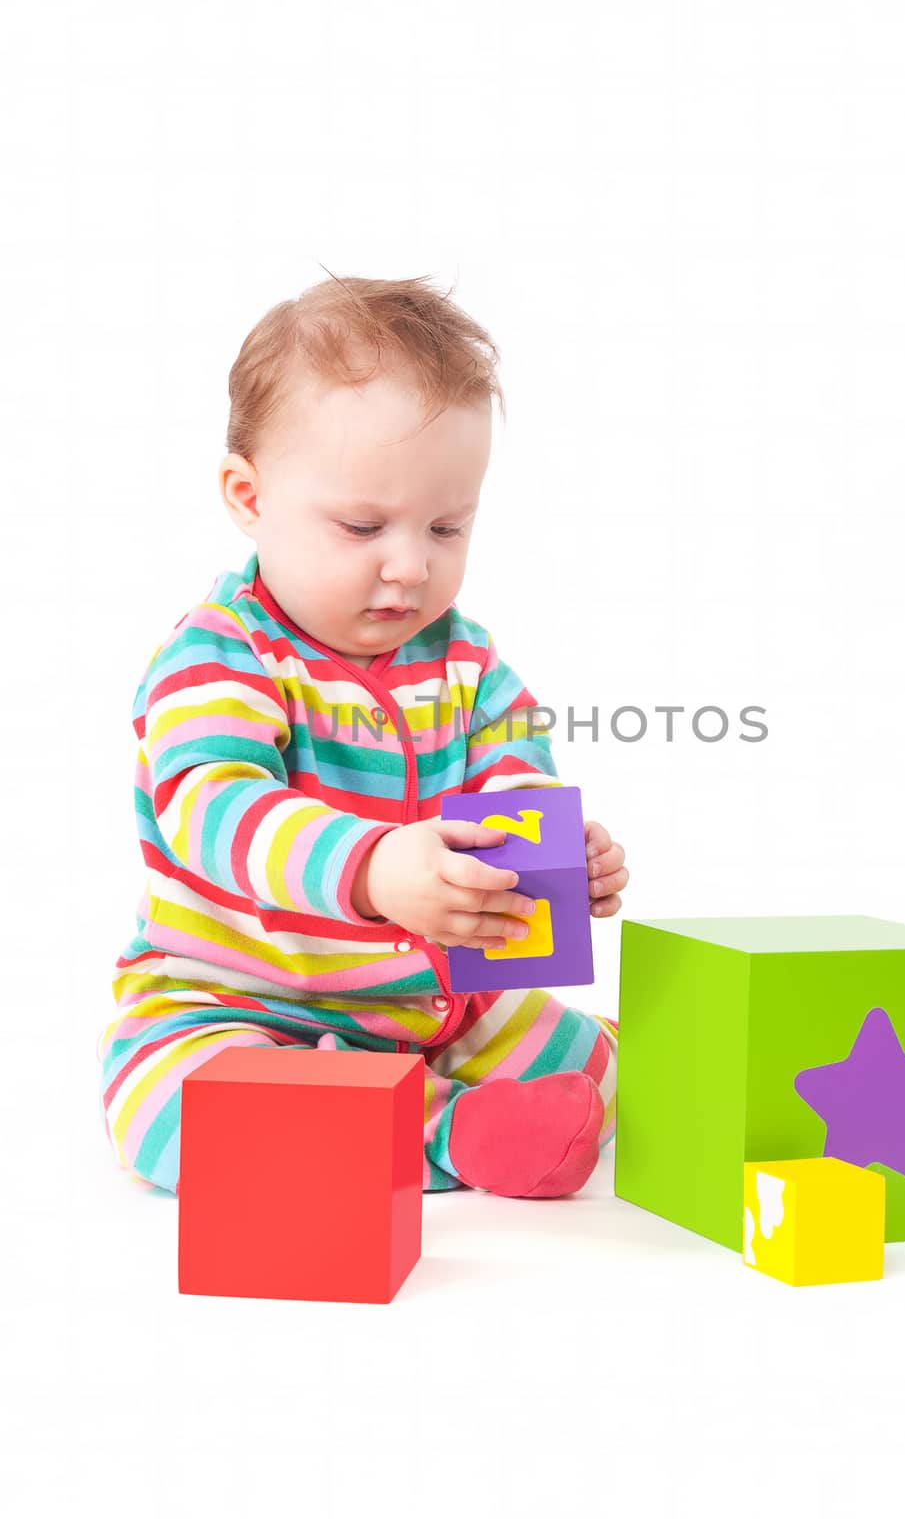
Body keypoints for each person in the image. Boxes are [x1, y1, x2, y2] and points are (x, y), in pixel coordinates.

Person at [96, 272, 629, 1200]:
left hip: (427, 1003)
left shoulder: (462, 658)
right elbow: (215, 808)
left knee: (615, 1076)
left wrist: (543, 857)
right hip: (237, 1004)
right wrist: (377, 869)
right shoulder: (219, 654)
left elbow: (514, 767)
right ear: (247, 497)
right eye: (362, 525)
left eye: (447, 526)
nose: (411, 565)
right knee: (175, 1114)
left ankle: (436, 1101)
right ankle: (447, 1134)